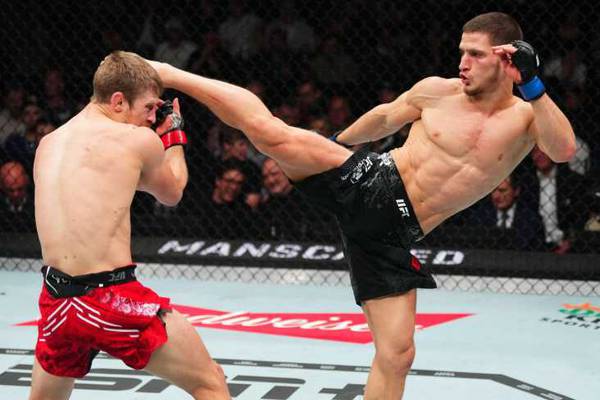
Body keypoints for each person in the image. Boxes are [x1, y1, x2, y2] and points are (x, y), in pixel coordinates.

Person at [148, 11, 575, 399]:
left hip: (393, 235)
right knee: (271, 133)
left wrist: (533, 84)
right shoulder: (437, 91)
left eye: (475, 54)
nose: (462, 63)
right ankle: (169, 73)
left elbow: (563, 150)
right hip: (373, 183)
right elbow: (385, 117)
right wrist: (335, 145)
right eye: (461, 52)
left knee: (398, 354)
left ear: (506, 58)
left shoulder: (527, 117)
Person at [30, 51, 229, 400]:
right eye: (149, 107)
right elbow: (172, 192)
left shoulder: (49, 143)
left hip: (57, 301)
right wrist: (172, 136)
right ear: (118, 101)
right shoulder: (137, 140)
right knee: (210, 381)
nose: (152, 117)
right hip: (110, 298)